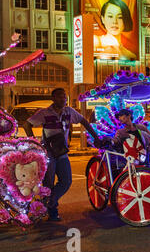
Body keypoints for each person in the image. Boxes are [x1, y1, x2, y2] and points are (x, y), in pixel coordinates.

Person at [23, 88, 102, 222]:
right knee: (48, 183)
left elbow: (84, 121)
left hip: (62, 153)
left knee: (66, 181)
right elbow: (26, 124)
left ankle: (50, 202)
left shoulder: (69, 111)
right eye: (60, 97)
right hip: (48, 154)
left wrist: (96, 137)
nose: (63, 99)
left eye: (64, 96)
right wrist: (36, 144)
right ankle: (52, 211)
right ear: (53, 98)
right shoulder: (45, 113)